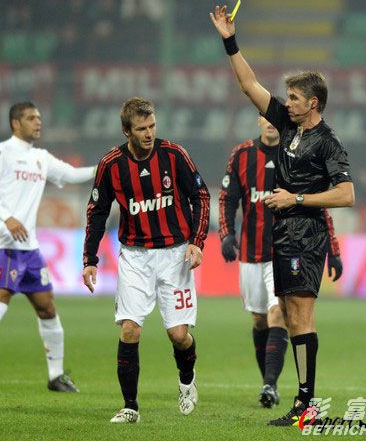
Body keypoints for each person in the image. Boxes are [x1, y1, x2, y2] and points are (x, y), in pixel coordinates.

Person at [210, 5, 355, 426]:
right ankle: (302, 401)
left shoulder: (328, 142)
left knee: (300, 316)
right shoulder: (289, 126)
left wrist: (297, 199)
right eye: (286, 97)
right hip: (283, 236)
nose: (285, 102)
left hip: (307, 237)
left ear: (313, 103)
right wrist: (230, 41)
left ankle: (306, 404)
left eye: (293, 98)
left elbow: (347, 194)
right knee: (289, 315)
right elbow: (248, 85)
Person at [82, 97, 210, 424]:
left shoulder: (174, 155)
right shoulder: (111, 164)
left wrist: (197, 243)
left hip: (175, 255)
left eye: (152, 125)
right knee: (129, 329)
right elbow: (97, 212)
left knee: (178, 335)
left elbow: (201, 196)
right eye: (142, 129)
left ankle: (187, 379)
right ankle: (131, 407)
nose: (149, 133)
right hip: (135, 257)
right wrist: (90, 258)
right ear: (127, 131)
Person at [219, 115, 343, 409]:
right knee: (259, 319)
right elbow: (228, 198)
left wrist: (333, 249)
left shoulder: (295, 155)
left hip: (286, 250)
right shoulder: (242, 154)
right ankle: (268, 382)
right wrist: (226, 234)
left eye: (274, 118)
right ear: (258, 121)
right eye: (265, 118)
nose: (270, 123)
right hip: (251, 252)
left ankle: (270, 384)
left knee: (279, 314)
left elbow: (318, 203)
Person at [0, 101, 96, 392]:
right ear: (16, 123)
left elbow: (72, 174)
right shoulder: (3, 153)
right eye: (31, 118)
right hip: (3, 246)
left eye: (39, 117)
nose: (38, 122)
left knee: (47, 307)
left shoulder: (40, 158)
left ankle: (56, 376)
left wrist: (105, 166)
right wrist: (6, 217)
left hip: (29, 250)